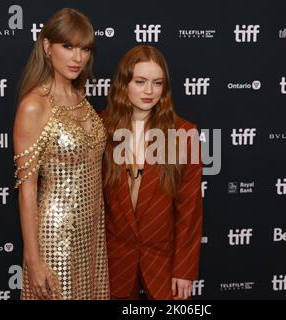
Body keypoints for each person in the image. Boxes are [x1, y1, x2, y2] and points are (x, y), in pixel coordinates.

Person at [13, 8, 109, 300]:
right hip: (56, 238)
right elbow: (27, 189)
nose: (77, 58)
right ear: (46, 46)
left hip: (92, 234)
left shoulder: (81, 99)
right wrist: (34, 260)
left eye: (84, 49)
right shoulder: (35, 105)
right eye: (68, 46)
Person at [101, 45, 203, 300]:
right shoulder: (99, 129)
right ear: (124, 83)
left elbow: (189, 210)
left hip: (164, 260)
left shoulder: (184, 134)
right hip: (112, 259)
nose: (149, 91)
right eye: (140, 81)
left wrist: (185, 269)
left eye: (157, 83)